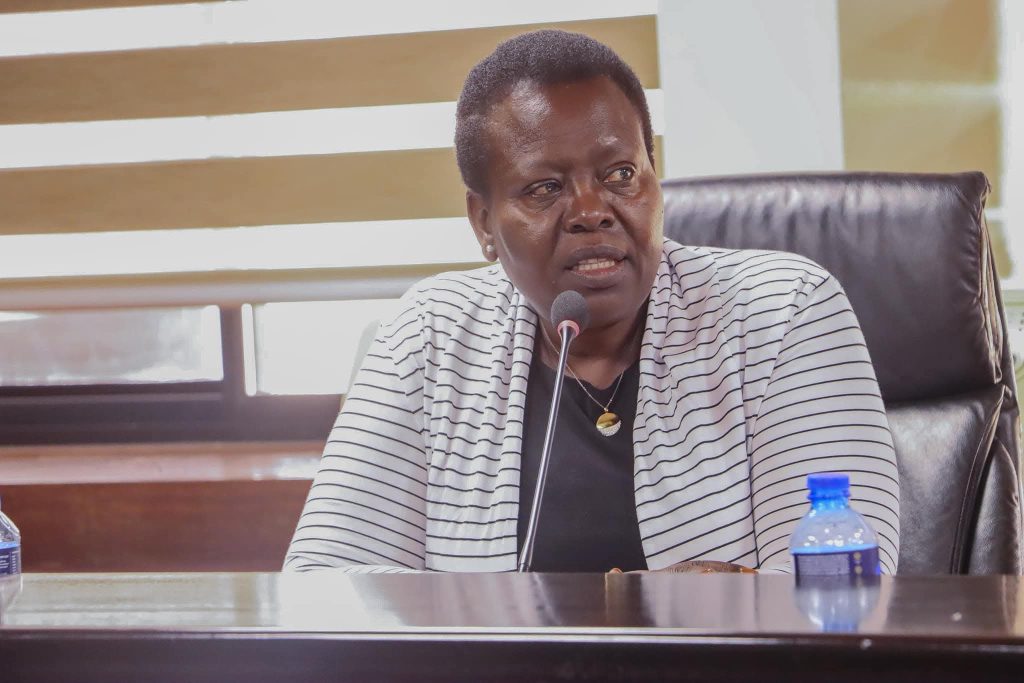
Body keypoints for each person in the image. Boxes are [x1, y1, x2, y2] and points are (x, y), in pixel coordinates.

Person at [285, 30, 900, 574]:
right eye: (544, 188)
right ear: (483, 222)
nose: (590, 211)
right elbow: (327, 582)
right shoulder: (430, 334)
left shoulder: (781, 310)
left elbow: (841, 581)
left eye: (620, 174)